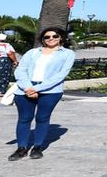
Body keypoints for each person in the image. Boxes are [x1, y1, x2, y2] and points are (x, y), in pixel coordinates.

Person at [9, 27, 75, 161]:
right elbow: (21, 70)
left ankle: (37, 147)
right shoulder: (32, 52)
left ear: (60, 37)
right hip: (25, 88)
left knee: (42, 118)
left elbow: (61, 75)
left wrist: (38, 89)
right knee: (24, 118)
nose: (51, 39)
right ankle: (21, 148)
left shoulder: (68, 54)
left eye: (54, 36)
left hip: (50, 90)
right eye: (47, 37)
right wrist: (28, 87)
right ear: (42, 39)